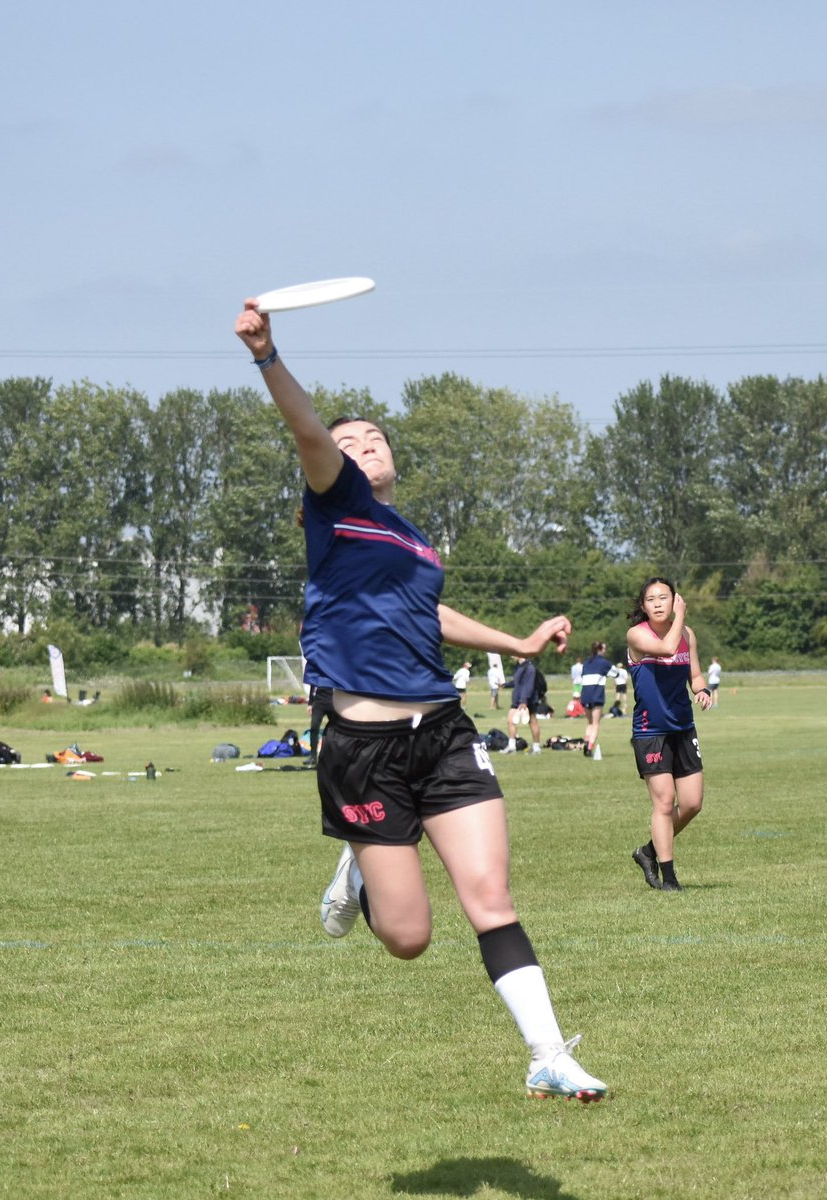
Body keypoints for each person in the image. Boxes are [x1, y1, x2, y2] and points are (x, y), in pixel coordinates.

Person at [234, 300, 606, 1101]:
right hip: (361, 750)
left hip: (440, 732)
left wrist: (518, 643)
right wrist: (269, 357)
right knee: (407, 938)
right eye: (348, 440)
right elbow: (304, 428)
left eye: (376, 438)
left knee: (492, 897)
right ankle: (362, 869)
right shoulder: (338, 507)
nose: (363, 444)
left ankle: (547, 1051)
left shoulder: (410, 536)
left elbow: (428, 615)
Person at [625, 578, 712, 893]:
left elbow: (695, 673)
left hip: (683, 728)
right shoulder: (637, 635)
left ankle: (648, 851)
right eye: (651, 599)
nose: (659, 603)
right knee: (664, 802)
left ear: (675, 599)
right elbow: (665, 648)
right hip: (651, 732)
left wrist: (701, 689)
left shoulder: (687, 635)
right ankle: (669, 878)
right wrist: (681, 618)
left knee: (692, 803)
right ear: (643, 606)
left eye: (665, 597)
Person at [501, 656, 544, 755]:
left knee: (532, 722)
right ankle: (511, 746)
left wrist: (524, 701)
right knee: (510, 721)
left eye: (513, 654)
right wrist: (505, 685)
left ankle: (536, 748)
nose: (511, 656)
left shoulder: (529, 668)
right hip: (518, 700)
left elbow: (528, 685)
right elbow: (517, 682)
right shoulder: (519, 667)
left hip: (528, 700)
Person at [579, 641, 615, 757]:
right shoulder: (604, 663)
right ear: (600, 650)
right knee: (595, 723)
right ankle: (589, 747)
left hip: (585, 695)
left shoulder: (586, 663)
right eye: (604, 649)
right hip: (596, 695)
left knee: (589, 722)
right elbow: (616, 674)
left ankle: (586, 741)